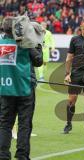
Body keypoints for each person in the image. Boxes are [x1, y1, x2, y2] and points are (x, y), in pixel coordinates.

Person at [0, 16, 43, 160]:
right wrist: (38, 44)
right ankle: (22, 155)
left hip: (6, 89)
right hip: (25, 89)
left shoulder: (0, 43)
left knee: (5, 123)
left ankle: (3, 154)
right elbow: (38, 61)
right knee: (24, 124)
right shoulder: (26, 43)